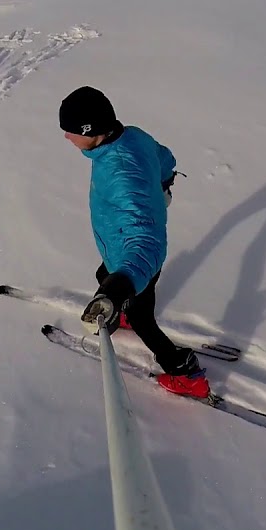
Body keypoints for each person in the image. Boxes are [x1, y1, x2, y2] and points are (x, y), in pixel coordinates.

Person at [58, 86, 210, 398]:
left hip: (136, 261)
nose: (67, 137)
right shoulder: (132, 136)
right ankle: (123, 306)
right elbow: (164, 157)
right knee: (103, 275)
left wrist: (122, 286)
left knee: (143, 318)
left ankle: (185, 373)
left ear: (93, 131)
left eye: (71, 131)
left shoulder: (121, 172)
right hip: (119, 248)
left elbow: (145, 242)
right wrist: (164, 182)